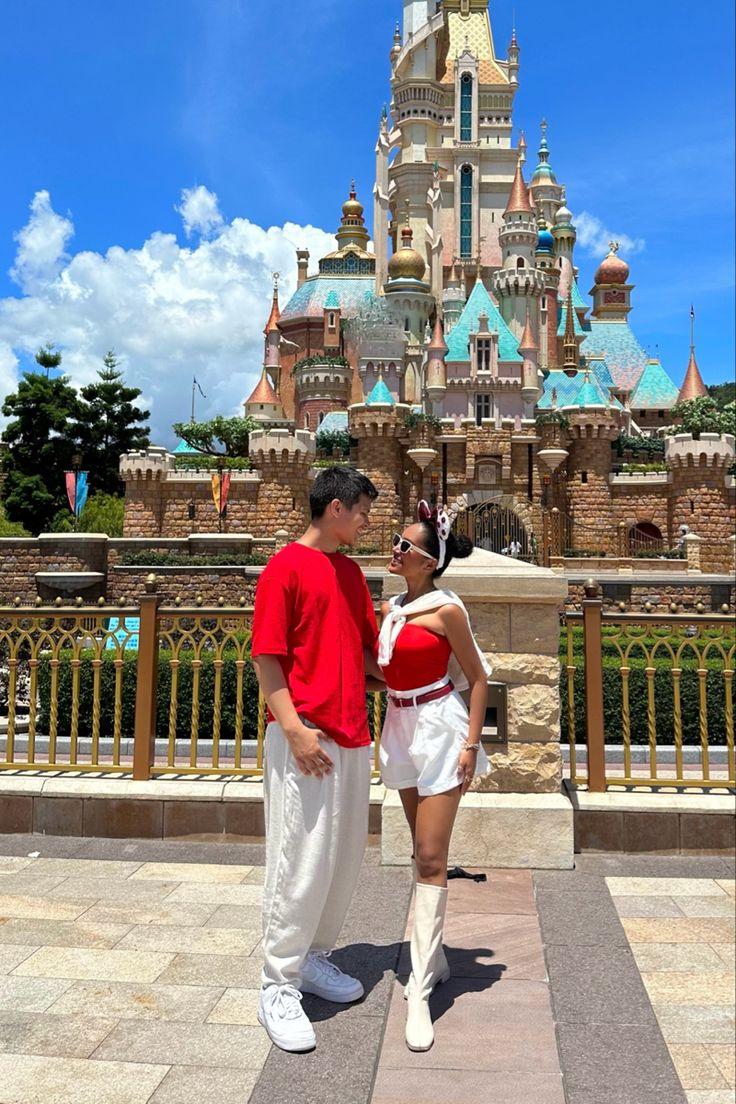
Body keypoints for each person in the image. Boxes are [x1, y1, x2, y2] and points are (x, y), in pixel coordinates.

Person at [251, 466, 383, 1053]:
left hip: (352, 736)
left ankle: (314, 959)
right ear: (335, 508)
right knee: (298, 858)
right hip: (306, 738)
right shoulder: (284, 568)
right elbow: (267, 657)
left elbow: (365, 652)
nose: (366, 521)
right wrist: (295, 730)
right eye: (362, 511)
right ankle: (277, 984)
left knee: (341, 860)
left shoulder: (351, 573)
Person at [377, 501, 491, 1052]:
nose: (394, 550)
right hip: (398, 725)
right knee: (416, 849)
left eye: (405, 546)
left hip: (441, 728)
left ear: (428, 560)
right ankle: (439, 959)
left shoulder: (447, 610)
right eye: (397, 543)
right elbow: (386, 673)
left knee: (429, 855)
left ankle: (419, 991)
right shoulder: (392, 607)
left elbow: (478, 679)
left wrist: (471, 745)